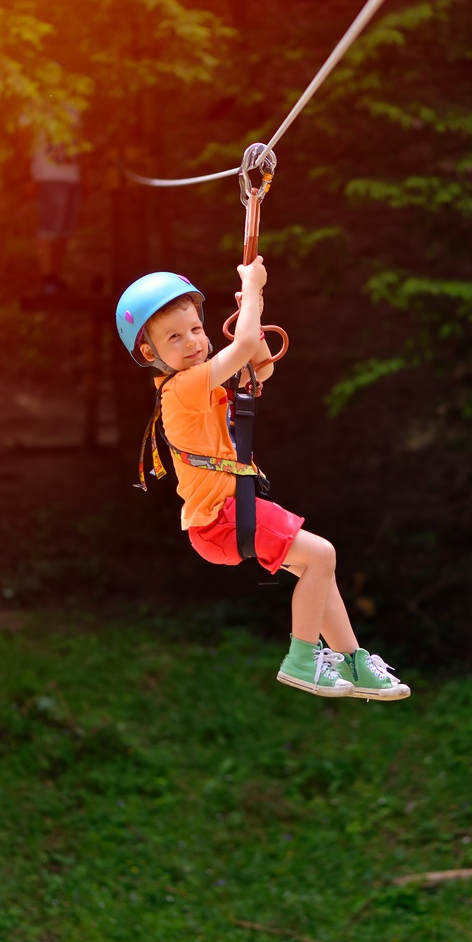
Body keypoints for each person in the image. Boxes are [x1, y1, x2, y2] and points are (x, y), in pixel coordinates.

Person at [115, 259, 410, 701]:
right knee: (322, 555)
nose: (192, 342)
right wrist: (252, 287)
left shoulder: (200, 381)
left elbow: (258, 366)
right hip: (221, 518)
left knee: (319, 570)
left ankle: (353, 660)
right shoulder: (180, 389)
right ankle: (301, 660)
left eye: (195, 329)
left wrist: (254, 306)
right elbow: (247, 343)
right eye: (174, 337)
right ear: (149, 353)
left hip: (231, 515)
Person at [30, 117, 82, 293]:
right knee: (48, 228)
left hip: (72, 175)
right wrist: (29, 173)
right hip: (48, 175)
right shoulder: (39, 104)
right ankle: (47, 278)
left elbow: (81, 144)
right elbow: (25, 139)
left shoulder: (75, 106)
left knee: (64, 230)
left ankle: (55, 276)